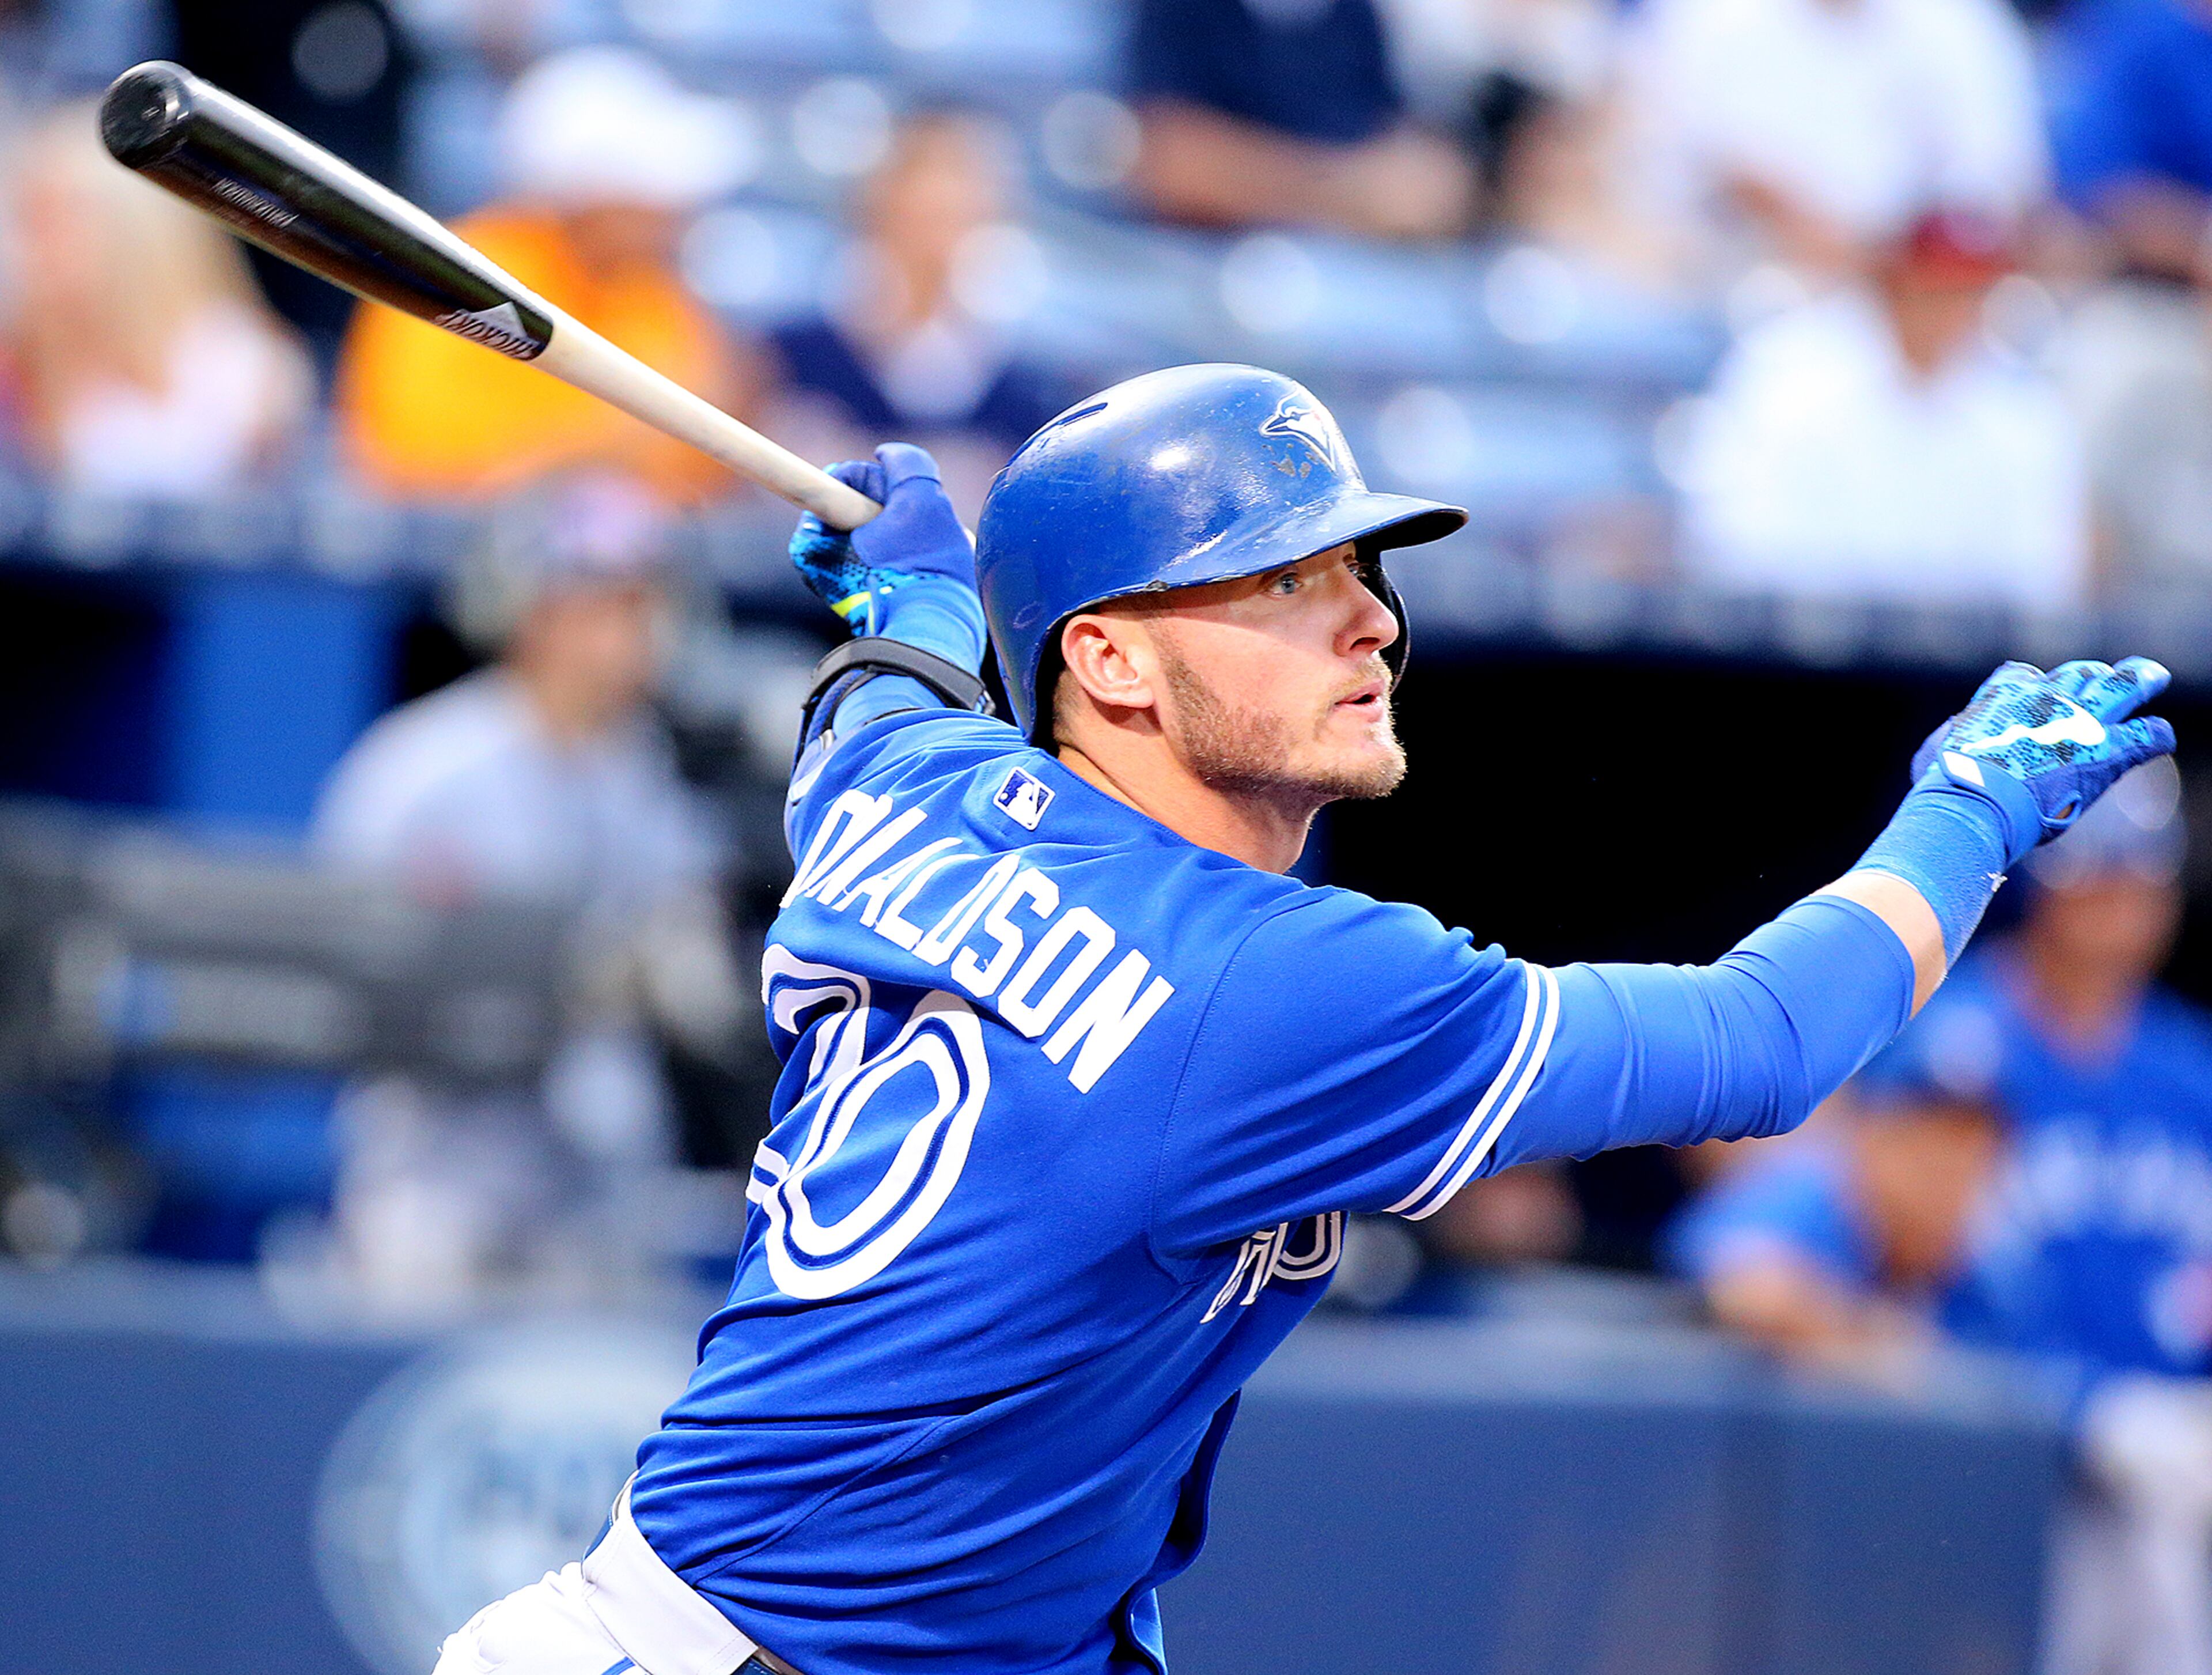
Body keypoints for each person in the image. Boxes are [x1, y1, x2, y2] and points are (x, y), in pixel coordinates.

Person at [434, 363, 2173, 1675]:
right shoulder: (1269, 984)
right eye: (1278, 582)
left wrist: (908, 610)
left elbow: (879, 713)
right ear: (1107, 662)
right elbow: (1763, 1044)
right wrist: (1964, 809)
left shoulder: (910, 780)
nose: (1371, 621)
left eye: (1356, 570)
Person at [311, 472, 740, 1311]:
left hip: (601, 1172)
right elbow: (345, 963)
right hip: (438, 1162)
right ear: (534, 609)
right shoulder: (420, 767)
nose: (636, 631)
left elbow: (692, 976)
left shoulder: (657, 779)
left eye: (642, 604)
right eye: (605, 604)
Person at [335, 44, 765, 504]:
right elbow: (408, 462)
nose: (678, 214)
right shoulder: (452, 277)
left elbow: (696, 478)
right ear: (594, 198)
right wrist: (608, 447)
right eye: (652, 196)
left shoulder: (654, 296)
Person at [1679, 210, 2090, 611]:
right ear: (1891, 284)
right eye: (1933, 288)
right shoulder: (1785, 373)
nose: (1949, 313)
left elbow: (2042, 577)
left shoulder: (2025, 413)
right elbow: (1737, 548)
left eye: (1968, 292)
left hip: (1962, 670)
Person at [763, 110, 1072, 522]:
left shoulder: (1033, 385)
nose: (938, 201)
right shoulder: (785, 359)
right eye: (919, 175)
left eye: (960, 178)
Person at [1, 100, 313, 498]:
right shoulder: (22, 364)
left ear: (132, 229)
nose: (32, 251)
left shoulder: (241, 365)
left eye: (54, 225)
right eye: (28, 224)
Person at [1623, 0, 2046, 281]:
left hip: (1906, 296)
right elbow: (1648, 173)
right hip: (1720, 282)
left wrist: (1880, 250)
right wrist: (1752, 194)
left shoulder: (1960, 24)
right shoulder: (1704, 17)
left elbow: (1997, 189)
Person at [1126, 0, 1479, 239]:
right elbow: (1169, 163)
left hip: (1344, 281)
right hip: (1207, 274)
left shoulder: (1352, 15)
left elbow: (1418, 172)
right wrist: (1349, 194)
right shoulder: (1187, 12)